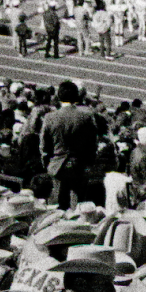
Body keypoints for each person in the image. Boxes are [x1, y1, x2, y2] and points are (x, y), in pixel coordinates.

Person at [40, 80, 106, 209]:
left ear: (59, 96)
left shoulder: (50, 117)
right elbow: (93, 143)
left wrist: (47, 163)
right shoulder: (86, 116)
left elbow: (44, 146)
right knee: (78, 202)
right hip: (79, 164)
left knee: (56, 203)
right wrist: (89, 162)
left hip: (57, 164)